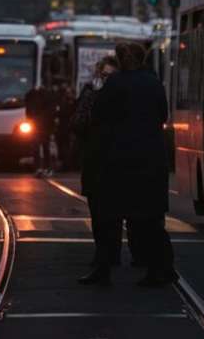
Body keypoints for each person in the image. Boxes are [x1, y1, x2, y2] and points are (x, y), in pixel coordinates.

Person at [92, 42, 176, 287]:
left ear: (120, 61)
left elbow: (98, 116)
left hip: (120, 159)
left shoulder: (115, 84)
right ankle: (161, 267)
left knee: (109, 217)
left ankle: (103, 268)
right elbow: (162, 115)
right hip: (151, 158)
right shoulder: (153, 82)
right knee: (150, 219)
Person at [72, 55, 118, 283]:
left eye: (110, 76)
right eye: (104, 75)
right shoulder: (91, 96)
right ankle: (105, 258)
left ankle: (107, 259)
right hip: (95, 162)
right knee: (100, 215)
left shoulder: (120, 97)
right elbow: (78, 124)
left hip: (111, 163)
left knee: (108, 215)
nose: (106, 79)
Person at [25, 83, 56, 177]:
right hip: (44, 126)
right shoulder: (48, 97)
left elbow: (28, 111)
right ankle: (46, 168)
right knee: (44, 147)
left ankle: (39, 168)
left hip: (37, 126)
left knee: (37, 147)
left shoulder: (31, 96)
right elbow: (51, 114)